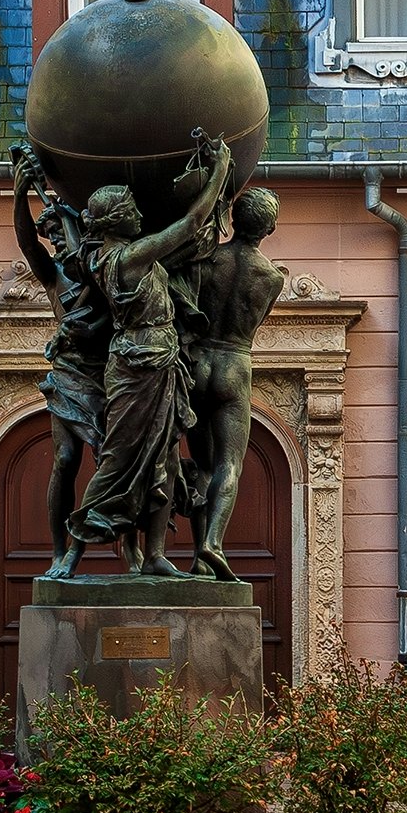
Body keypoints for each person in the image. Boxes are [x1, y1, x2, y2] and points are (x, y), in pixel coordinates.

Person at [66, 132, 236, 577]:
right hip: (139, 363)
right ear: (118, 220)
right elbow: (186, 225)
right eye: (133, 210)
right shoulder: (126, 258)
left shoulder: (107, 256)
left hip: (159, 360)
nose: (142, 214)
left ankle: (156, 554)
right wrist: (218, 170)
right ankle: (75, 547)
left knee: (165, 457)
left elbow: (188, 242)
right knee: (120, 457)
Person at [8, 140, 116, 582]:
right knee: (66, 459)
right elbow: (25, 241)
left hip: (110, 375)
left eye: (58, 230)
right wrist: (20, 194)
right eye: (49, 233)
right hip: (69, 374)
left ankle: (128, 552)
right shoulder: (55, 276)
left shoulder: (103, 267)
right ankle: (60, 550)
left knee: (114, 463)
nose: (52, 238)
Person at [176, 185, 291, 581]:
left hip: (197, 364)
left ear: (235, 219)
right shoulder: (272, 278)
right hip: (235, 365)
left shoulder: (206, 262)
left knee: (203, 464)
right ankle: (213, 543)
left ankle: (198, 555)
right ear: (270, 227)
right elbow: (254, 324)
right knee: (230, 463)